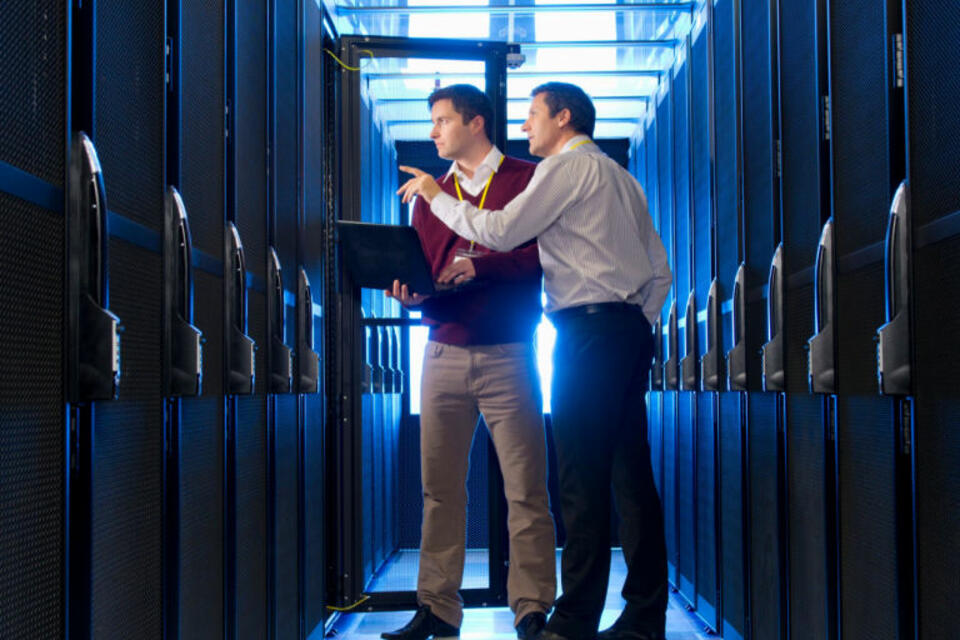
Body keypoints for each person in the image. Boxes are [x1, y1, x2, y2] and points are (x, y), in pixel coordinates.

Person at [397, 82, 672, 640]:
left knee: (576, 481)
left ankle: (567, 622)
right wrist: (634, 324)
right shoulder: (623, 178)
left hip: (579, 333)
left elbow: (501, 232)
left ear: (563, 118)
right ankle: (644, 618)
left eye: (533, 115)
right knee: (630, 477)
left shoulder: (555, 172)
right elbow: (660, 271)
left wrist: (436, 196)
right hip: (620, 330)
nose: (525, 126)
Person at [381, 84, 556, 640]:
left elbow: (539, 258)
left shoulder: (527, 180)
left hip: (509, 351)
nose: (433, 132)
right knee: (439, 490)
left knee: (525, 488)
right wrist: (411, 291)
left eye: (441, 120)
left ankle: (530, 610)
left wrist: (481, 269)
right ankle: (437, 610)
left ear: (476, 123)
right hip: (442, 351)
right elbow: (427, 264)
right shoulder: (428, 195)